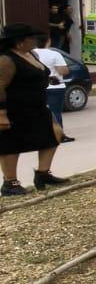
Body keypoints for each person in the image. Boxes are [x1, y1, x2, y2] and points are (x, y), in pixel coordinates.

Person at [0, 23, 68, 195]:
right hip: (14, 109)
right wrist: (1, 114)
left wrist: (48, 80)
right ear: (19, 42)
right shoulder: (6, 59)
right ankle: (10, 183)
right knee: (11, 144)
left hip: (37, 107)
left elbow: (36, 74)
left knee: (54, 135)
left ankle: (43, 174)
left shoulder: (31, 54)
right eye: (31, 38)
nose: (35, 40)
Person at [33, 36, 73, 144]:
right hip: (55, 87)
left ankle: (40, 135)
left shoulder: (30, 54)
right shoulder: (54, 54)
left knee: (39, 112)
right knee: (55, 112)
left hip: (37, 87)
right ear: (48, 41)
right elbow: (63, 71)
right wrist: (67, 68)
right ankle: (59, 135)